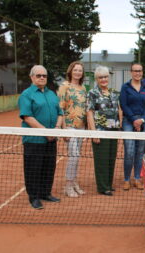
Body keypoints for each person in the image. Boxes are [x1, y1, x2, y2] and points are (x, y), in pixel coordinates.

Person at [18, 65, 63, 209]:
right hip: (34, 140)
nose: (42, 78)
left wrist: (56, 129)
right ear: (32, 77)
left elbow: (60, 113)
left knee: (48, 167)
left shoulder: (51, 94)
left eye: (44, 75)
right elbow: (27, 117)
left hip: (51, 138)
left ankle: (45, 193)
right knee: (33, 168)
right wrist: (46, 132)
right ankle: (34, 197)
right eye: (39, 75)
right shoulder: (26, 94)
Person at [86, 66, 122, 196]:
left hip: (114, 130)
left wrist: (120, 127)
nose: (103, 79)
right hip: (100, 131)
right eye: (101, 77)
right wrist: (94, 132)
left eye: (105, 77)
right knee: (101, 159)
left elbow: (119, 111)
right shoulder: (92, 93)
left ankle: (108, 184)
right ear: (96, 79)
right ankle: (102, 187)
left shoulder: (114, 93)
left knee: (111, 158)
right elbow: (89, 113)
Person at [120, 63, 145, 191]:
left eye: (139, 71)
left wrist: (142, 119)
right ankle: (127, 179)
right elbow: (124, 104)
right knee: (129, 151)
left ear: (142, 72)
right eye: (135, 71)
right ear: (131, 72)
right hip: (128, 121)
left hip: (144, 121)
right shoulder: (125, 87)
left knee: (140, 152)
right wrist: (134, 119)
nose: (137, 73)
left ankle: (137, 178)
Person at [58, 61, 87, 198]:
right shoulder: (64, 86)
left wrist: (86, 127)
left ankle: (74, 182)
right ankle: (68, 185)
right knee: (73, 156)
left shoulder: (83, 88)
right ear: (70, 71)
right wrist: (64, 129)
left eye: (80, 70)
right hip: (69, 127)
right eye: (75, 70)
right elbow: (61, 108)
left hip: (81, 127)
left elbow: (84, 109)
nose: (77, 72)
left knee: (77, 156)